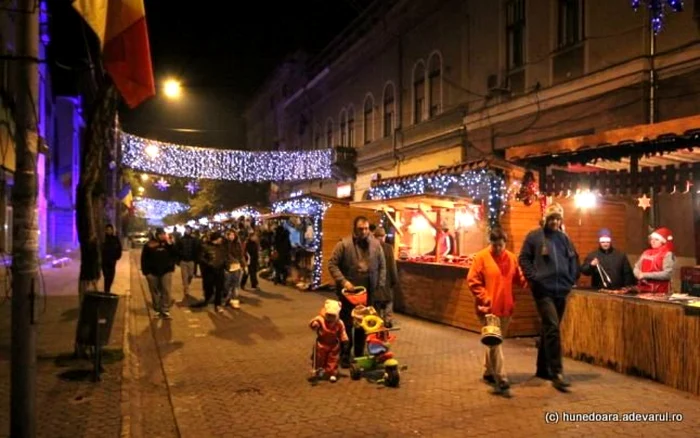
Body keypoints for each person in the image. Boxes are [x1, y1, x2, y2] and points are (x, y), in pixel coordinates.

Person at [518, 203, 579, 390]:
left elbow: (574, 259)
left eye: (557, 219)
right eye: (551, 218)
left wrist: (571, 278)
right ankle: (557, 372)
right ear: (546, 218)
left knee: (548, 328)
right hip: (543, 290)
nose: (554, 222)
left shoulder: (564, 239)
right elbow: (523, 258)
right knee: (553, 326)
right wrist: (535, 279)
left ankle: (542, 368)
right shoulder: (534, 237)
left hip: (561, 290)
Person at [467, 227, 527, 392]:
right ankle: (501, 377)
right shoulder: (481, 258)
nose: (498, 248)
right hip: (487, 308)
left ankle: (488, 371)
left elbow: (519, 278)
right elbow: (473, 280)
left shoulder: (512, 258)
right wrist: (485, 297)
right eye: (495, 245)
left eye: (501, 245)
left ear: (505, 243)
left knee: (493, 342)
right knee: (495, 342)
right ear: (490, 243)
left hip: (506, 308)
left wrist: (529, 280)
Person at [328, 216, 386, 368]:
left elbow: (382, 266)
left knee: (364, 324)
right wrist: (344, 281)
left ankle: (359, 354)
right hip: (349, 293)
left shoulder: (375, 244)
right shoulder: (344, 244)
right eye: (361, 229)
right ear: (355, 229)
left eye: (366, 228)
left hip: (368, 292)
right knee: (347, 325)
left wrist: (379, 285)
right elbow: (332, 264)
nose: (364, 231)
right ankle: (345, 354)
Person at [309, 299, 349, 383]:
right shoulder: (321, 319)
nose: (330, 318)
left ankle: (332, 373)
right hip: (321, 343)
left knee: (333, 359)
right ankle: (319, 370)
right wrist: (315, 324)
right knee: (319, 358)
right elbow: (314, 322)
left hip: (334, 344)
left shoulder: (339, 323)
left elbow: (342, 331)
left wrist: (344, 340)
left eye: (332, 316)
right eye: (329, 315)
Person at [141, 228, 178, 319]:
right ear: (156, 235)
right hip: (152, 272)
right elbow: (144, 259)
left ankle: (165, 310)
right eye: (160, 234)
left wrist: (171, 244)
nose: (162, 236)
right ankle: (157, 309)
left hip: (166, 271)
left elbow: (175, 254)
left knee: (166, 290)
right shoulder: (149, 245)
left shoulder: (168, 244)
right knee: (155, 292)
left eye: (163, 234)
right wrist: (146, 272)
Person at [633, 227, 676, 294]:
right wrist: (638, 274)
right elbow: (636, 267)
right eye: (652, 239)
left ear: (662, 241)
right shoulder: (646, 252)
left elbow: (667, 274)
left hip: (660, 292)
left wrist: (645, 275)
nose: (652, 241)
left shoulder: (667, 254)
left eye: (656, 239)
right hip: (643, 290)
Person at [194, 232, 228, 312]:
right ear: (216, 238)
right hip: (209, 272)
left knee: (219, 289)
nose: (221, 239)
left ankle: (218, 305)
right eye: (220, 238)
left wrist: (225, 264)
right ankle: (207, 299)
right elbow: (201, 258)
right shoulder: (205, 246)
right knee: (209, 288)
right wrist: (209, 264)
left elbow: (224, 257)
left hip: (220, 271)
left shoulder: (221, 247)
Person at [373, 227, 398, 328]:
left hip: (376, 281)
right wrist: (394, 279)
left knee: (377, 303)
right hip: (387, 280)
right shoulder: (388, 248)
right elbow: (392, 265)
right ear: (384, 237)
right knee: (389, 301)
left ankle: (377, 322)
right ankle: (387, 321)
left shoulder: (372, 247)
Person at [224, 229, 246, 309]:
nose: (231, 236)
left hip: (236, 266)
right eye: (230, 235)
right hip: (227, 267)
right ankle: (228, 297)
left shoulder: (237, 244)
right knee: (227, 284)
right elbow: (224, 255)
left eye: (233, 235)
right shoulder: (225, 244)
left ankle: (235, 301)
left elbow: (241, 255)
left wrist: (244, 265)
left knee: (236, 285)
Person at [176, 226, 200, 299]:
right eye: (187, 230)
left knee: (190, 275)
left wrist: (196, 259)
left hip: (191, 260)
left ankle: (187, 284)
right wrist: (178, 260)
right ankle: (186, 290)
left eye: (189, 230)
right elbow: (177, 250)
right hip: (183, 261)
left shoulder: (194, 240)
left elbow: (196, 250)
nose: (188, 231)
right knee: (184, 276)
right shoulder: (180, 240)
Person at [101, 224, 122, 293]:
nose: (109, 231)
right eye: (107, 230)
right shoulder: (103, 240)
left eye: (110, 230)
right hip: (104, 263)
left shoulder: (115, 239)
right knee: (106, 278)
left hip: (112, 262)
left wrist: (117, 257)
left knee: (111, 278)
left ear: (112, 230)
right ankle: (106, 292)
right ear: (105, 231)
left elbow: (119, 248)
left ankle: (107, 291)